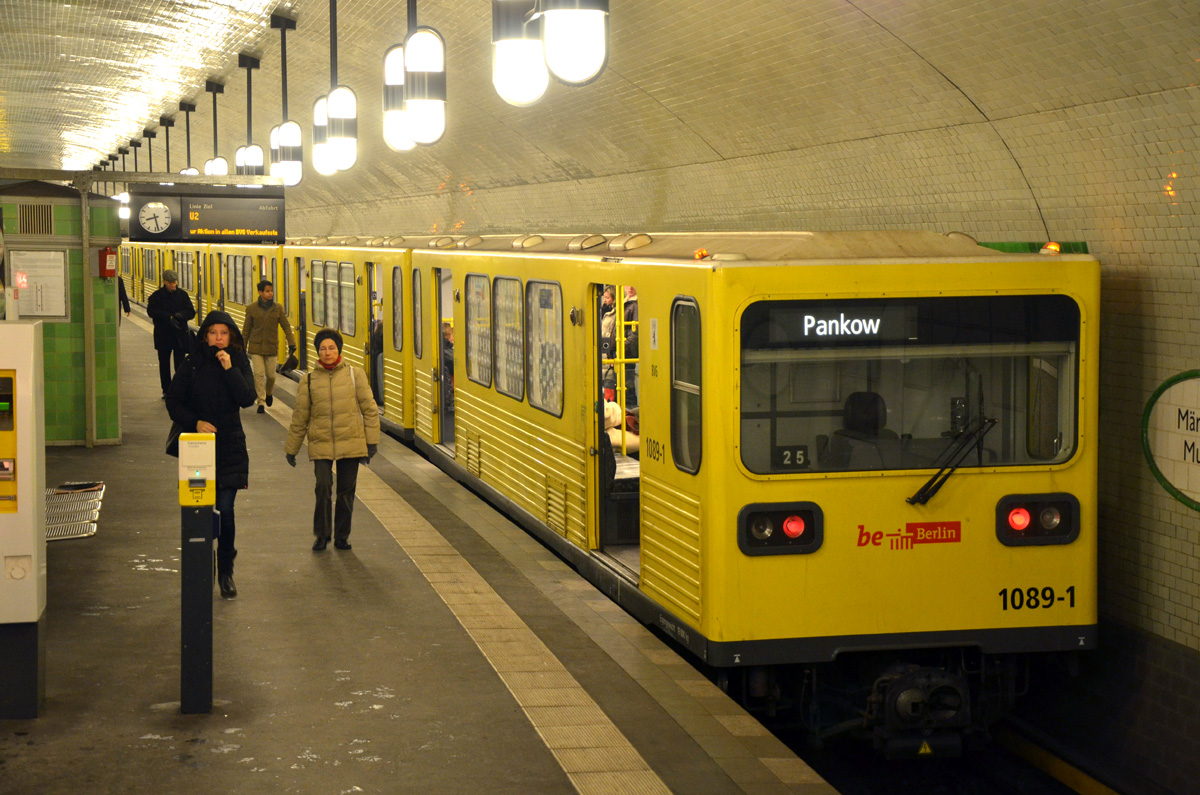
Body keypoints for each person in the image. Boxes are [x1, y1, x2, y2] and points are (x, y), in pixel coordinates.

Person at [165, 310, 256, 599]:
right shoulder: (192, 363)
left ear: (232, 337)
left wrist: (230, 368)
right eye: (214, 333)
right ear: (205, 335)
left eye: (224, 333)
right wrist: (195, 423)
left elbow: (247, 398)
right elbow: (174, 401)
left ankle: (226, 568)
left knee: (225, 512)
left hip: (230, 447)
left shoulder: (239, 360)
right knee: (200, 513)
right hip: (199, 450)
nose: (219, 338)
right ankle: (202, 567)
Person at [284, 329, 380, 552]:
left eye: (331, 348)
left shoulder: (355, 376)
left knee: (346, 492)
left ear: (339, 350)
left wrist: (371, 442)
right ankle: (322, 534)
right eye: (323, 349)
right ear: (317, 351)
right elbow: (300, 417)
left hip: (351, 442)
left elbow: (370, 410)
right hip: (321, 442)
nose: (327, 352)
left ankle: (342, 536)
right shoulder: (308, 380)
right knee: (323, 486)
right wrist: (292, 448)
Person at [241, 279, 297, 414]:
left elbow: (286, 327)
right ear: (260, 292)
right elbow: (246, 330)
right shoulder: (252, 308)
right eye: (267, 291)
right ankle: (261, 401)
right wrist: (241, 347)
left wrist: (292, 343)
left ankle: (269, 392)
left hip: (271, 347)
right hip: (256, 347)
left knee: (271, 376)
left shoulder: (278, 308)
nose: (270, 293)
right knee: (258, 374)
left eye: (271, 291)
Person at [147, 270, 196, 396]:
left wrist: (180, 316)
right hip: (163, 335)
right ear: (164, 282)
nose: (173, 285)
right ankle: (166, 389)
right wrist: (168, 317)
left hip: (179, 335)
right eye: (170, 283)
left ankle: (179, 389)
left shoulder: (182, 295)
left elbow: (191, 312)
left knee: (180, 364)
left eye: (174, 282)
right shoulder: (156, 296)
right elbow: (151, 312)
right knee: (164, 364)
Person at [623, 286, 639, 407]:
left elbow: (635, 334)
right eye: (627, 284)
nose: (630, 287)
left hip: (628, 350)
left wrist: (622, 346)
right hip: (623, 347)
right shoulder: (625, 301)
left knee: (628, 386)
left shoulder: (635, 304)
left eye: (633, 284)